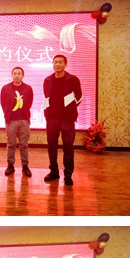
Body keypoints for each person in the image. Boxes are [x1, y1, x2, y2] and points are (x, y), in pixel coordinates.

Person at [42, 54, 82, 186]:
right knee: (51, 147)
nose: (58, 64)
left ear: (65, 64)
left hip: (67, 119)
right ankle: (54, 171)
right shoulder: (48, 80)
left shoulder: (73, 79)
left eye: (60, 62)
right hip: (52, 119)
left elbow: (79, 96)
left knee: (68, 148)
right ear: (53, 64)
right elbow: (46, 97)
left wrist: (71, 109)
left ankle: (68, 175)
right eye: (55, 62)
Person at [1, 66, 33, 177]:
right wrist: (7, 115)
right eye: (15, 73)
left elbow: (29, 103)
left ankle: (25, 166)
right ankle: (10, 165)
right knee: (11, 144)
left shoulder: (28, 88)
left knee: (24, 145)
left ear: (23, 75)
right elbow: (3, 103)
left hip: (24, 120)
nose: (17, 76)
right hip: (11, 121)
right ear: (12, 75)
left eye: (19, 73)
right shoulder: (6, 88)